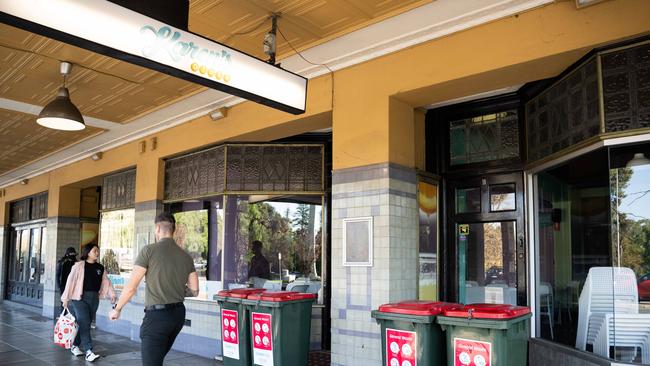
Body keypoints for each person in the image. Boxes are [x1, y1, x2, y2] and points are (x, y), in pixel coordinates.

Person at [110, 212, 199, 366]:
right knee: (156, 358)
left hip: (157, 317)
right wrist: (174, 287)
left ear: (157, 228)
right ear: (174, 230)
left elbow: (131, 287)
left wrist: (117, 308)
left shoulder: (148, 251)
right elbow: (195, 290)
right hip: (178, 316)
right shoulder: (186, 256)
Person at [61, 243, 116, 362]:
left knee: (84, 323)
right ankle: (88, 351)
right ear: (88, 252)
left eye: (98, 251)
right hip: (79, 298)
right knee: (85, 322)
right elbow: (70, 282)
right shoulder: (79, 266)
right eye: (95, 250)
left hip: (94, 298)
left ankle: (75, 345)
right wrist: (65, 299)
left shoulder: (100, 268)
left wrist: (112, 294)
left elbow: (106, 282)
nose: (97, 253)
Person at [56, 247, 77, 312]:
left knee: (75, 301)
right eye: (71, 254)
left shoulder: (76, 263)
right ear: (67, 254)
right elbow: (58, 274)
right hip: (63, 285)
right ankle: (63, 316)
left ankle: (74, 316)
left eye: (74, 254)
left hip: (74, 285)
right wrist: (59, 286)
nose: (72, 256)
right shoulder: (62, 262)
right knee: (64, 302)